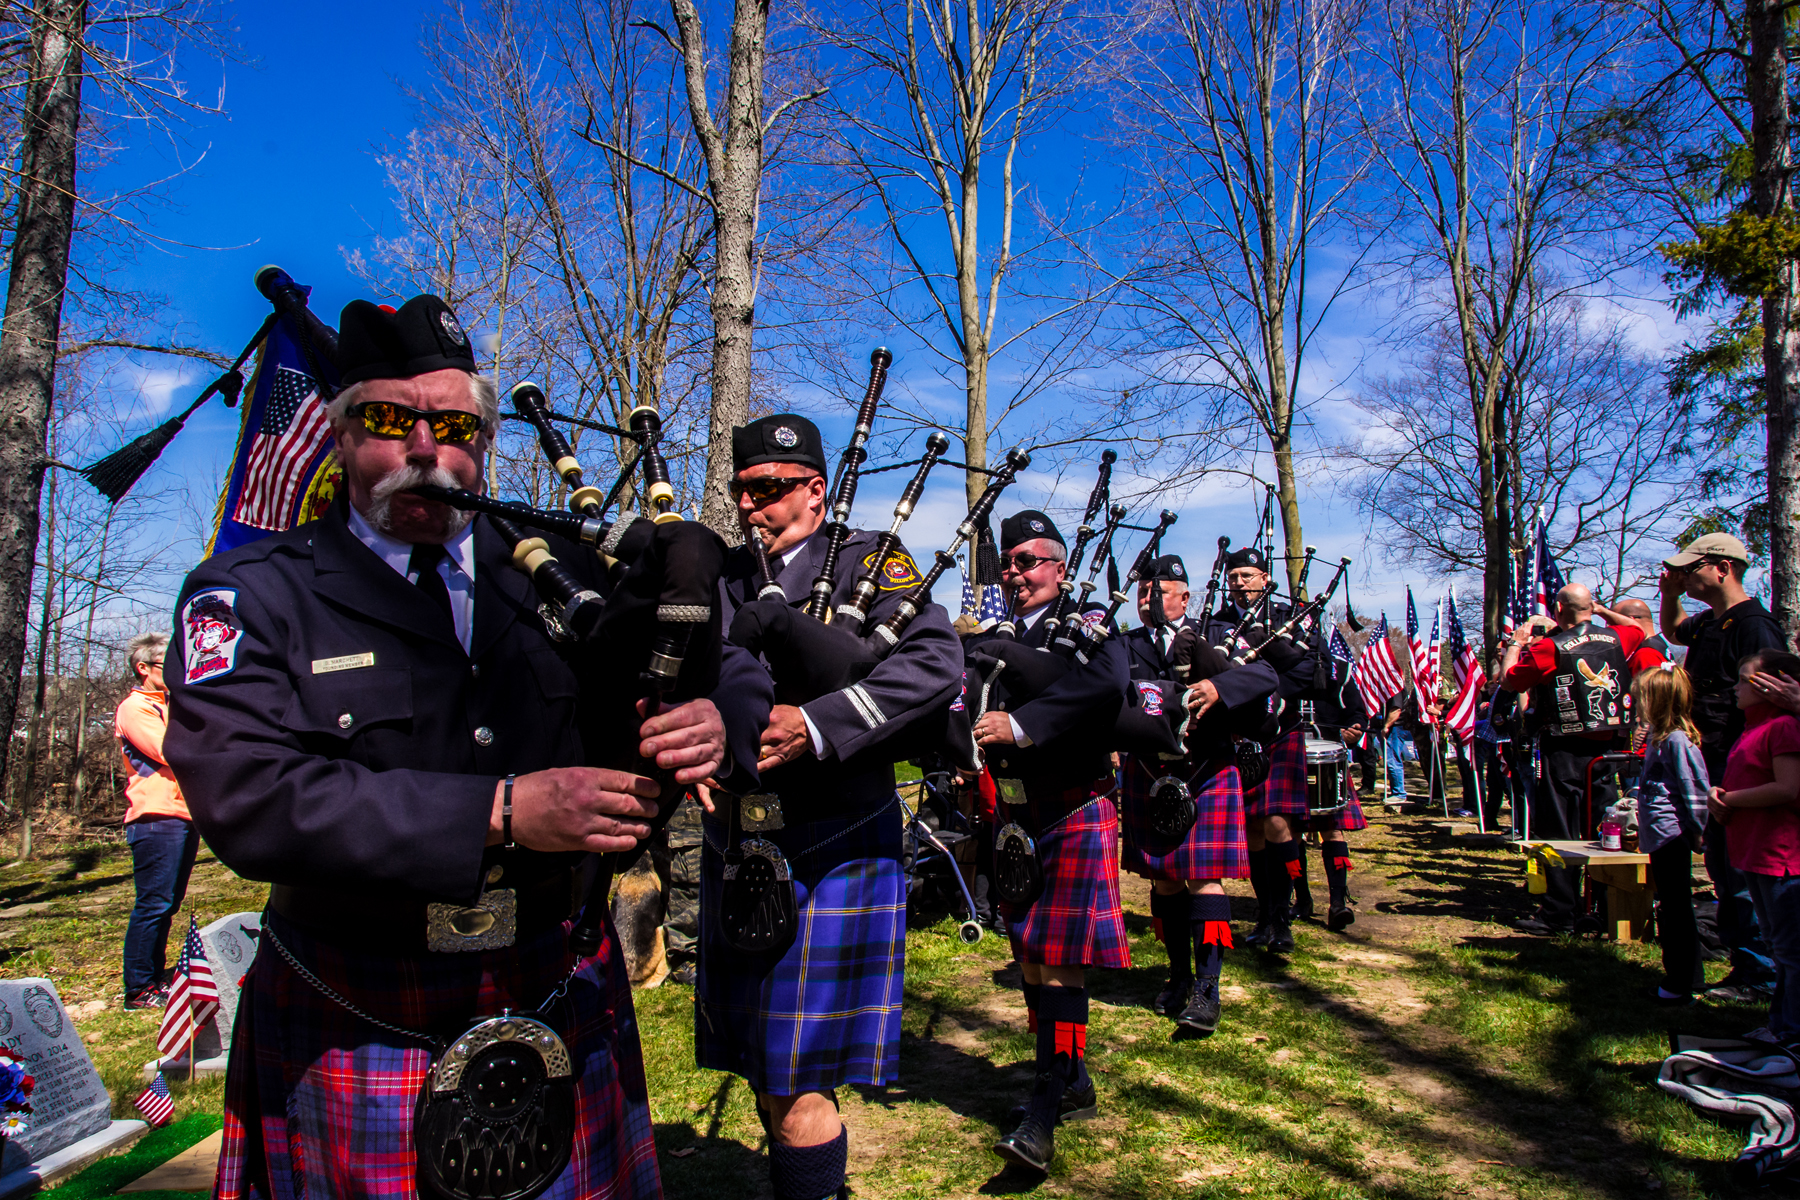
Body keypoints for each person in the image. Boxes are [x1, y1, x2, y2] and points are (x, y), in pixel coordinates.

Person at [164, 294, 766, 1200]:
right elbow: (247, 796)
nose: (423, 450)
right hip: (356, 1001)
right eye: (386, 420)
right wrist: (502, 811)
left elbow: (730, 663)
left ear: (481, 443)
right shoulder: (255, 593)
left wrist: (718, 716)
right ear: (337, 437)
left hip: (561, 976)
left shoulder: (562, 568)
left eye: (452, 425)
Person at [707, 414, 961, 1200]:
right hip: (734, 841)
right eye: (741, 490)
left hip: (836, 840)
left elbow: (935, 668)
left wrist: (818, 725)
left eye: (770, 490)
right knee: (761, 1062)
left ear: (815, 492)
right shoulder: (723, 577)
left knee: (798, 1081)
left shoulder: (872, 563)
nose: (752, 506)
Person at [968, 509, 1131, 1172]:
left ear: (1060, 568)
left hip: (1072, 803)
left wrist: (1024, 725)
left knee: (1060, 959)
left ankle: (1042, 1106)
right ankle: (1072, 1080)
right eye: (1009, 562)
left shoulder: (1091, 621)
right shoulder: (996, 630)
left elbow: (1105, 687)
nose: (1016, 572)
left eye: (1030, 560)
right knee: (1033, 957)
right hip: (1014, 814)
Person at [1119, 554, 1275, 1034]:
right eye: (1145, 593)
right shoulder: (1124, 645)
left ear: (1185, 596)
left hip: (1206, 769)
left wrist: (1216, 681)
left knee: (1204, 878)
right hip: (1151, 770)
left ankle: (1208, 988)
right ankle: (1179, 974)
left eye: (1160, 592)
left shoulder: (1217, 637)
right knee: (1165, 880)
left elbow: (1266, 677)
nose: (1149, 601)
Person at [1661, 533, 1784, 1002]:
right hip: (1712, 758)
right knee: (1723, 866)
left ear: (1722, 569)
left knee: (1741, 872)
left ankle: (1761, 972)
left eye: (1691, 569)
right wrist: (1671, 594)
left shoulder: (1755, 627)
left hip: (1741, 762)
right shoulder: (1713, 623)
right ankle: (1746, 964)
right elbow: (1674, 633)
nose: (1684, 576)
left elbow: (1771, 703)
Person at [1500, 583, 1645, 934]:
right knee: (1606, 829)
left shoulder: (1551, 647)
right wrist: (1600, 611)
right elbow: (1639, 628)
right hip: (1609, 749)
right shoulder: (1619, 638)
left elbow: (1508, 681)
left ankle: (1559, 912)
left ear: (1559, 610)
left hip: (1564, 748)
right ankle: (1608, 906)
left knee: (1559, 831)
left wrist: (1516, 644)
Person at [1203, 547, 1316, 953]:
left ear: (1266, 580)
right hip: (1237, 735)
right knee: (1252, 829)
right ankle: (1267, 912)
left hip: (1280, 730)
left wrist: (1273, 693)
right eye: (1234, 577)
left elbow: (1308, 670)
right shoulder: (1218, 624)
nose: (1239, 583)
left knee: (1276, 824)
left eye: (1248, 576)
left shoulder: (1289, 619)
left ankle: (1282, 916)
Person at [1708, 649, 1800, 1044]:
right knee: (1779, 949)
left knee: (1792, 953)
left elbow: (1788, 788)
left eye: (1744, 679)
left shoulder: (1783, 727)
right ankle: (1780, 1024)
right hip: (1754, 853)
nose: (1734, 687)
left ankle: (1791, 1032)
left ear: (1772, 684)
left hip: (1782, 856)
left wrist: (1730, 800)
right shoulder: (1752, 727)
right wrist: (1717, 794)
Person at [115, 631, 200, 1010]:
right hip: (154, 818)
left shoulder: (170, 703)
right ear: (143, 668)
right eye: (168, 664)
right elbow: (169, 750)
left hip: (183, 814)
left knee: (169, 902)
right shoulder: (135, 708)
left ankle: (154, 975)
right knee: (153, 903)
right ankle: (138, 987)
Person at [1633, 662, 1711, 1004]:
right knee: (1670, 905)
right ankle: (1681, 976)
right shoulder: (1657, 738)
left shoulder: (1678, 742)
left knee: (1676, 908)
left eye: (1641, 699)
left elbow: (1695, 790)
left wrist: (1698, 832)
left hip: (1673, 835)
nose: (1635, 704)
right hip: (1657, 834)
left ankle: (1681, 982)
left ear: (1658, 701)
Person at [1596, 597, 1671, 674]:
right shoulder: (1660, 647)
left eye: (1612, 622)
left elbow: (1649, 686)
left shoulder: (1645, 655)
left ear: (1630, 620)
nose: (1609, 628)